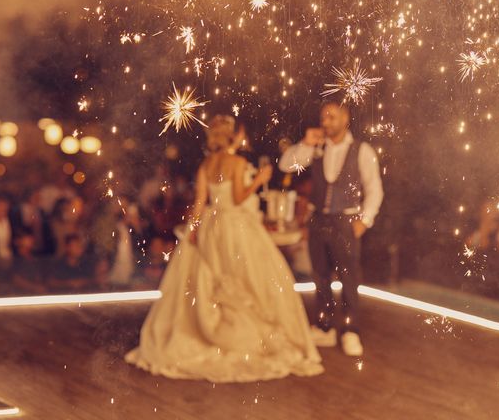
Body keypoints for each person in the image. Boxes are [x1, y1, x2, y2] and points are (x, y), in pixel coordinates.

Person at [126, 115, 323, 382]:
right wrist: (259, 179)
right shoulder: (238, 162)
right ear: (231, 136)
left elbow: (199, 203)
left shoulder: (206, 164)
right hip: (235, 226)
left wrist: (193, 230)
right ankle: (244, 336)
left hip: (211, 225)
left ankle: (211, 332)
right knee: (249, 275)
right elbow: (240, 196)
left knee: (210, 277)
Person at [279, 98, 383, 356]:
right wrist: (305, 143)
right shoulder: (316, 147)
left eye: (332, 117)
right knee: (320, 276)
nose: (326, 121)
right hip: (318, 221)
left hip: (346, 221)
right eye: (323, 116)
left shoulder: (362, 151)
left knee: (348, 279)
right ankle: (324, 327)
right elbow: (285, 165)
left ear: (345, 118)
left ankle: (350, 330)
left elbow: (374, 190)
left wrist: (365, 220)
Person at [11, 228, 46, 294]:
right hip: (22, 294)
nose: (31, 240)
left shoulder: (34, 257)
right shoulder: (15, 258)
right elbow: (16, 280)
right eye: (27, 238)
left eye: (31, 237)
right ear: (17, 241)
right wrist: (34, 287)